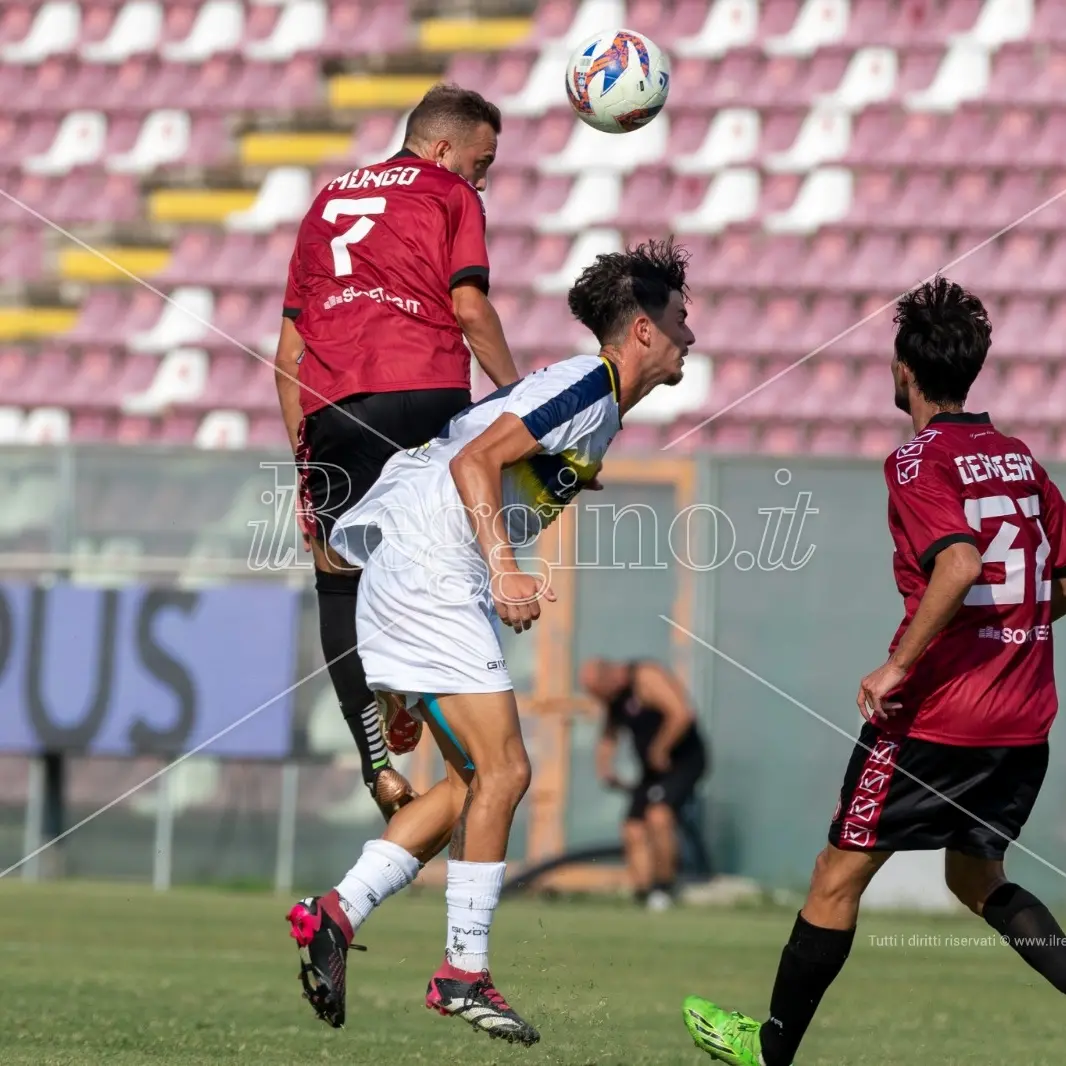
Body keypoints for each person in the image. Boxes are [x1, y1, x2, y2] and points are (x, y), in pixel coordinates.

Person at [285, 239, 695, 1043]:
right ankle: (460, 972)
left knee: (475, 784)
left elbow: (490, 452)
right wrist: (507, 570)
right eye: (682, 320)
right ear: (642, 330)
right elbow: (476, 459)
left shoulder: (592, 406)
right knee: (507, 770)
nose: (693, 334)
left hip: (420, 569)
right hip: (435, 569)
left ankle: (335, 912)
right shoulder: (586, 384)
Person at [682, 276, 1066, 1066]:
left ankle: (771, 1047)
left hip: (938, 720)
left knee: (836, 873)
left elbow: (958, 564)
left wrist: (899, 665)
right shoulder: (1018, 458)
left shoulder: (920, 459)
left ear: (903, 370)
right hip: (1024, 717)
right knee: (977, 878)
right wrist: (1019, 626)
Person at [273, 84, 520, 821]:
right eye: (482, 162)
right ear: (443, 150)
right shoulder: (449, 193)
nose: (481, 179)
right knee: (439, 561)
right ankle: (429, 704)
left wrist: (304, 462)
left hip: (339, 401)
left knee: (338, 575)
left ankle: (375, 760)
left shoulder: (327, 201)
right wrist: (520, 406)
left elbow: (288, 353)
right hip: (429, 385)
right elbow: (470, 307)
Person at [581, 657, 708, 910]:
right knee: (633, 829)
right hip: (652, 771)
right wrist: (606, 768)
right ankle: (643, 895)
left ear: (609, 678)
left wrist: (661, 748)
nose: (600, 701)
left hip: (682, 763)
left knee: (659, 816)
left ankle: (664, 888)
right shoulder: (614, 700)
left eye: (598, 693)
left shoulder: (646, 677)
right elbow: (609, 734)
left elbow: (682, 714)